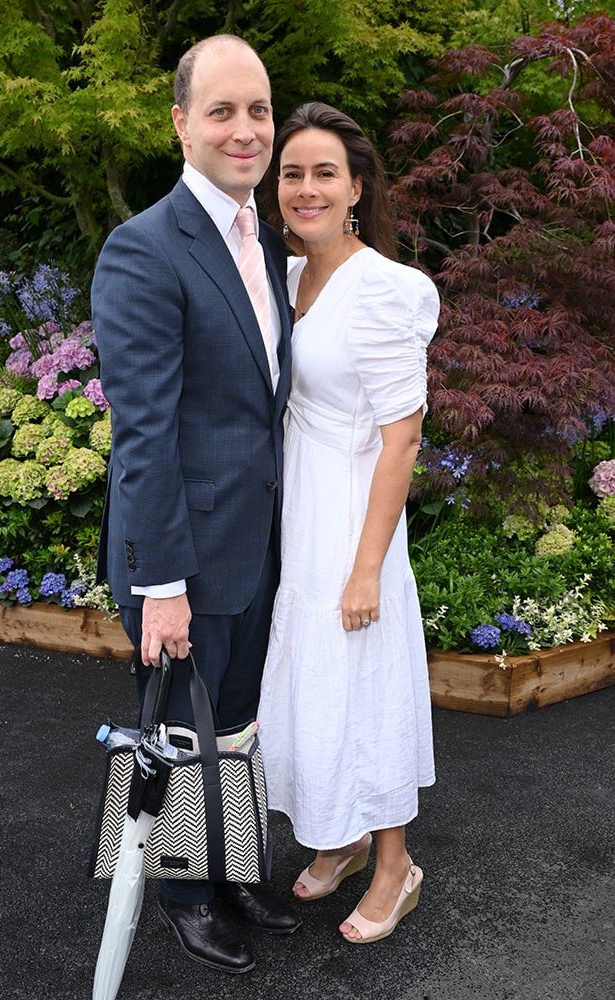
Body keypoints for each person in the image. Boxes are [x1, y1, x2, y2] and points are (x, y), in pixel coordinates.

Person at [91, 35, 299, 974]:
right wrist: (161, 583)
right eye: (221, 111)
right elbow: (144, 434)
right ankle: (181, 892)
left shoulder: (265, 242)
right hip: (182, 554)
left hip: (255, 542)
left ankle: (231, 865)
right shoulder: (142, 249)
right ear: (180, 124)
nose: (244, 129)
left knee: (241, 718)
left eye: (257, 109)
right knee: (178, 727)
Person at [258, 102, 439, 945]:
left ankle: (395, 863)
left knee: (360, 686)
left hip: (354, 517)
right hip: (301, 507)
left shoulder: (385, 289)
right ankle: (340, 836)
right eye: (291, 172)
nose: (305, 187)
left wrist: (368, 566)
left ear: (357, 186)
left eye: (324, 171)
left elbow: (402, 436)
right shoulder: (288, 277)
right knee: (310, 684)